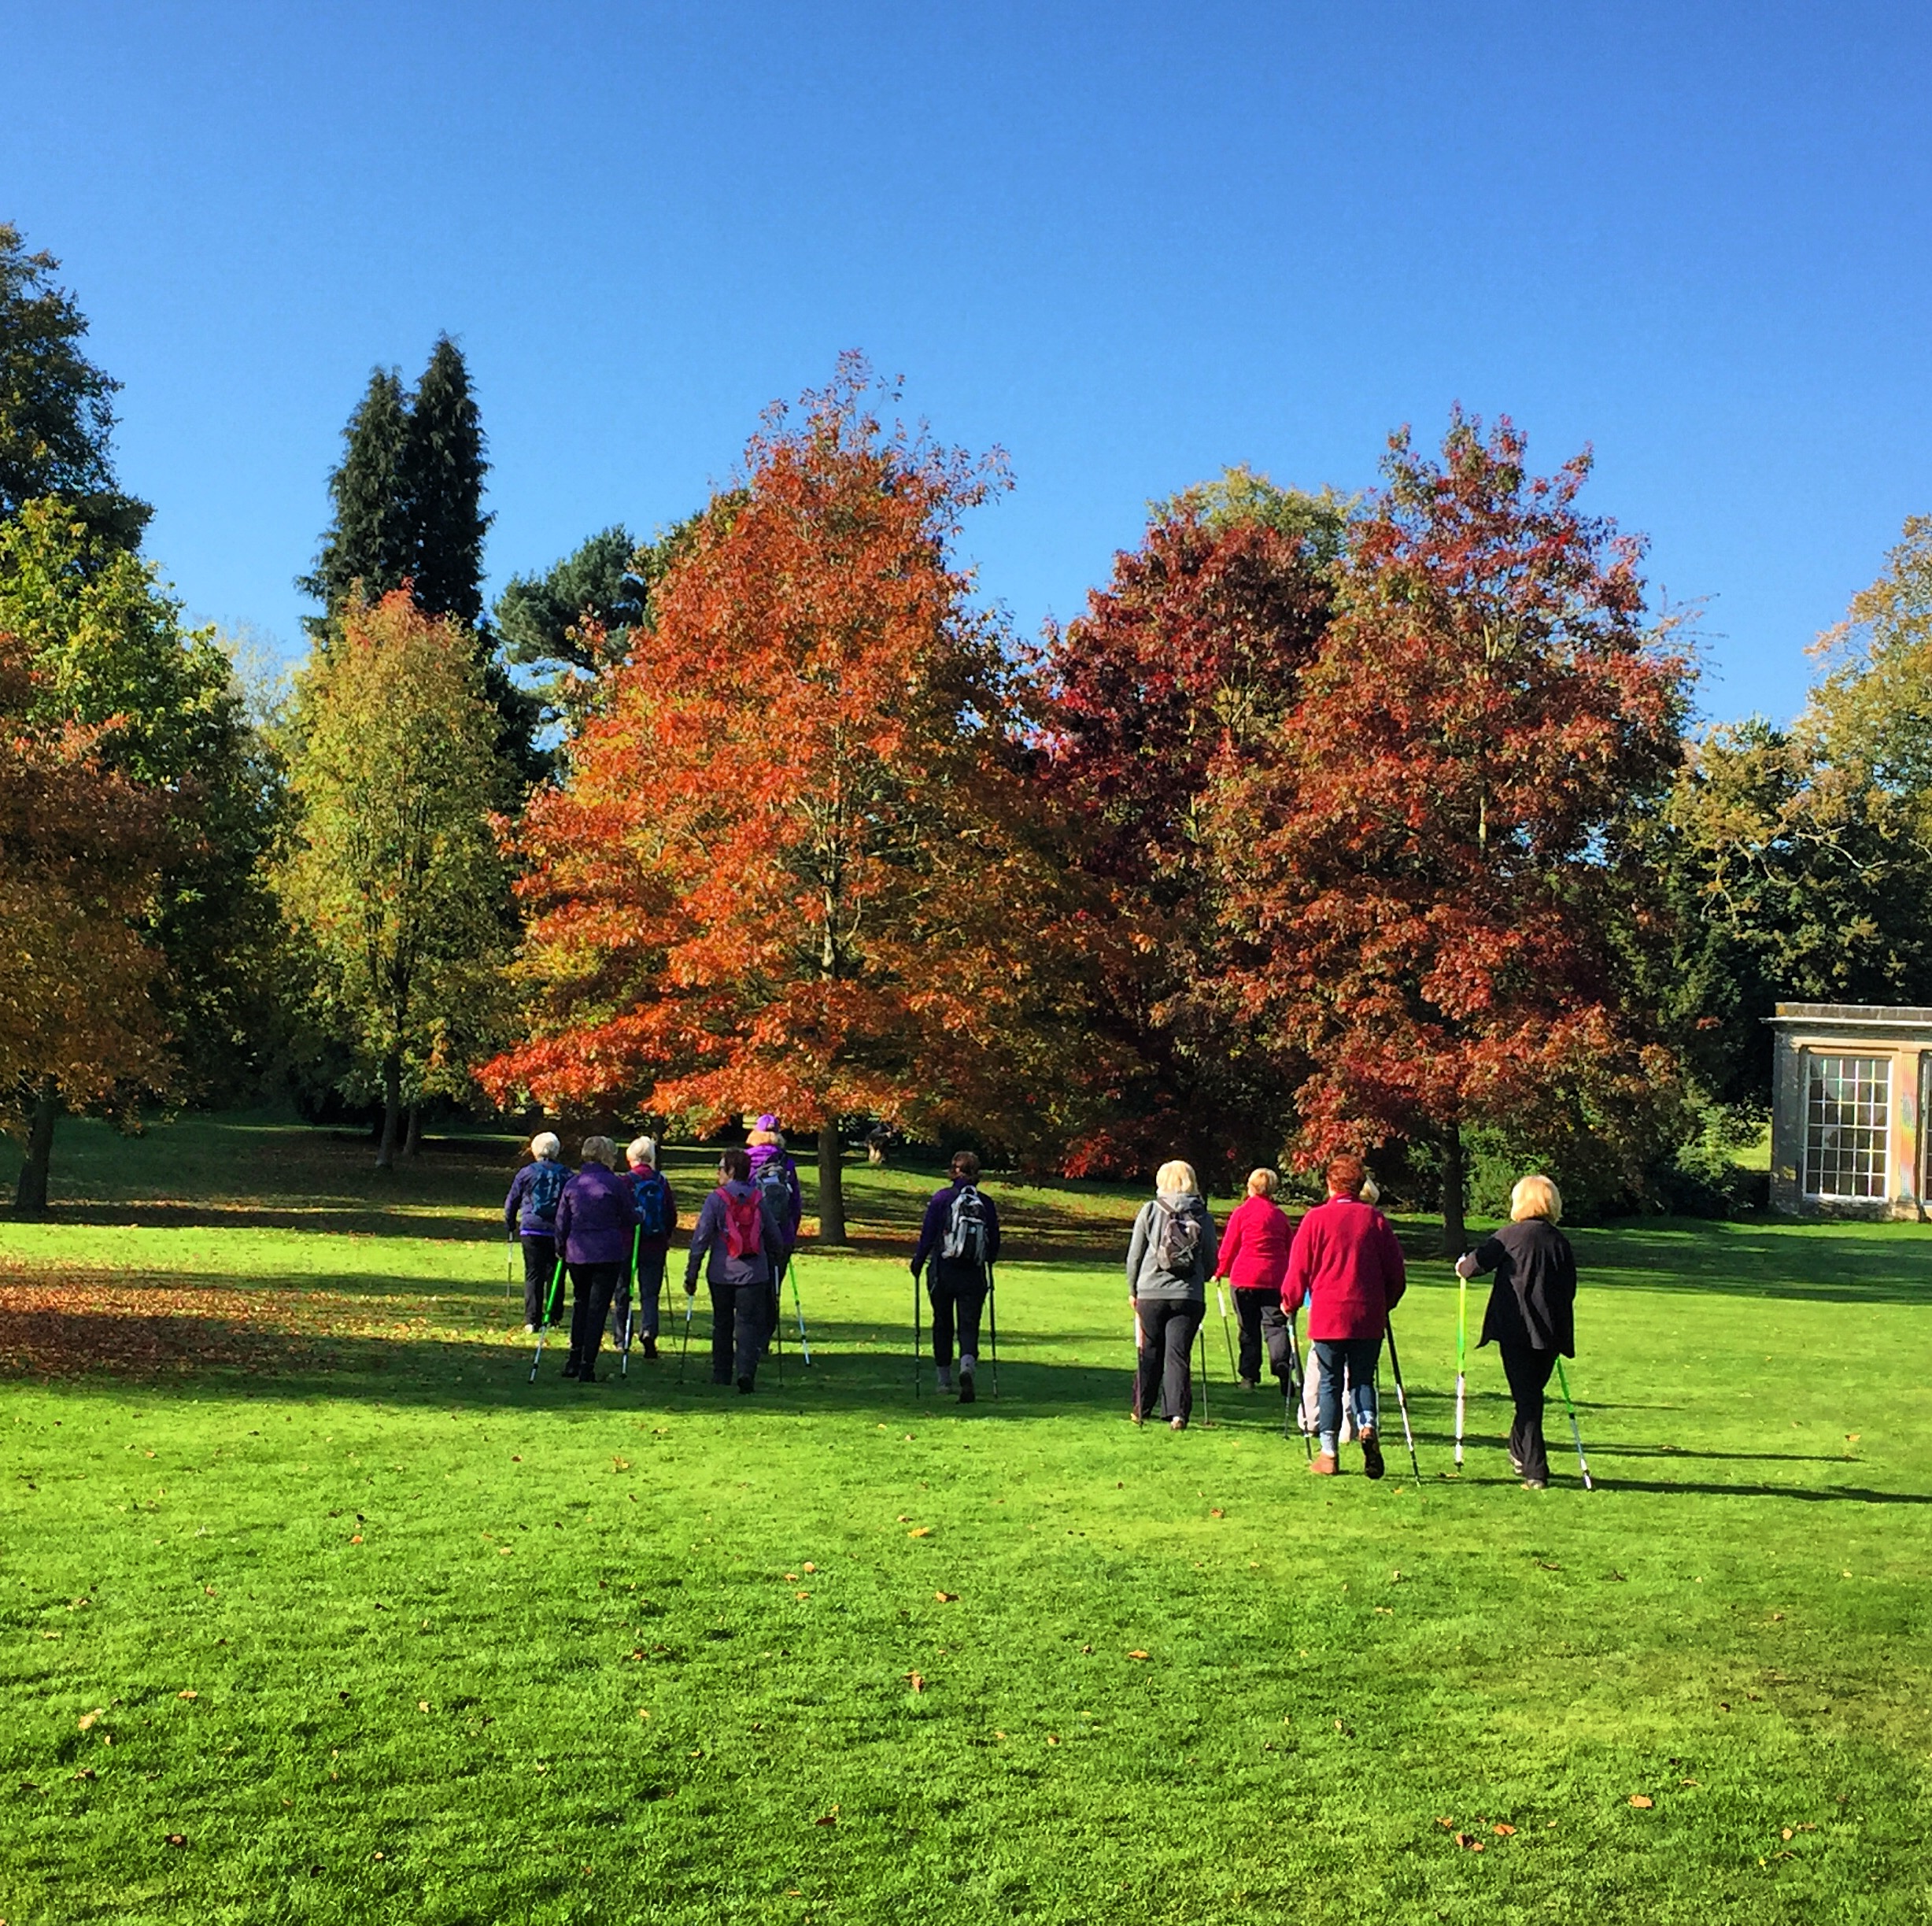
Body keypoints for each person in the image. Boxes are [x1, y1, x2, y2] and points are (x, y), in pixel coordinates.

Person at [1284, 1154, 1406, 1477]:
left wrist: (1290, 1301)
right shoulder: (1375, 1220)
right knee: (1363, 1379)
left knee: (1330, 1382)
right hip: (1367, 1315)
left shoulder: (1315, 1220)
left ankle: (1329, 1453)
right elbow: (1396, 1273)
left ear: (1329, 1183)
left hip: (1328, 1315)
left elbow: (1299, 1269)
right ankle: (1367, 1424)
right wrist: (1385, 1304)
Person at [1455, 1173, 1577, 1490]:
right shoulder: (1559, 1241)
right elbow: (1569, 1288)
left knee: (1528, 1400)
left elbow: (1472, 1267)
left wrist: (1461, 1265)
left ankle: (1536, 1469)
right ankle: (1520, 1451)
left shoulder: (1510, 1236)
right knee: (1529, 1395)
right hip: (1549, 1332)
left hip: (1517, 1329)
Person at [684, 1147, 788, 1393]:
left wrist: (692, 1272)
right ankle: (745, 1372)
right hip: (754, 1273)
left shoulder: (716, 1199)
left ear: (731, 1171)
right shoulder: (758, 1198)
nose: (718, 1173)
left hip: (721, 1272)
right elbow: (774, 1236)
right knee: (749, 1324)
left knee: (722, 1323)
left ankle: (721, 1374)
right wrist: (776, 1254)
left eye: (721, 1168)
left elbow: (701, 1238)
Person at [1125, 1160, 1216, 1432]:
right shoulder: (1202, 1215)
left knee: (1150, 1349)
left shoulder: (1150, 1210)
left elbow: (1135, 1255)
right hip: (1188, 1295)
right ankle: (1177, 1414)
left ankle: (1141, 1407)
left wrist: (1133, 1289)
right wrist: (1202, 1276)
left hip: (1151, 1291)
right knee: (1177, 1354)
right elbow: (1212, 1258)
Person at [911, 1151, 1003, 1402]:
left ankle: (944, 1380)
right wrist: (989, 1260)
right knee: (969, 1324)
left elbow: (928, 1234)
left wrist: (918, 1263)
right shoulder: (985, 1203)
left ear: (953, 1171)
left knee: (942, 1322)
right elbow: (994, 1241)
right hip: (973, 1273)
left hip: (943, 1270)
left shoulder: (942, 1198)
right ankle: (967, 1366)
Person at [552, 1137, 639, 1384]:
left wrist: (560, 1247)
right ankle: (587, 1364)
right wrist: (639, 1216)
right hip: (607, 1253)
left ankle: (574, 1357)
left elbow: (561, 1221)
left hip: (577, 1254)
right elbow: (630, 1215)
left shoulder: (573, 1184)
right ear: (606, 1156)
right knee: (597, 1307)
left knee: (581, 1303)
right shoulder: (614, 1184)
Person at [1212, 1168, 1295, 1394]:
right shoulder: (1279, 1216)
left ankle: (1248, 1376)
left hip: (1245, 1277)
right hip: (1275, 1278)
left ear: (1250, 1186)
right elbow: (1291, 1247)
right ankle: (1281, 1363)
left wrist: (1219, 1270)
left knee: (1248, 1328)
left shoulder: (1242, 1213)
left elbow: (1230, 1245)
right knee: (1276, 1326)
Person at [503, 1132, 571, 1333]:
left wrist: (510, 1222)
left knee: (533, 1274)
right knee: (556, 1274)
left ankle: (531, 1319)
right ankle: (553, 1316)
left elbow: (512, 1200)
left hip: (531, 1228)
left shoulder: (526, 1173)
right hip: (557, 1230)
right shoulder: (567, 1174)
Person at [746, 1115, 803, 1349]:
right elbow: (796, 1203)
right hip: (780, 1234)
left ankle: (747, 1335)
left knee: (750, 1287)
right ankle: (765, 1337)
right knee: (773, 1288)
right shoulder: (787, 1163)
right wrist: (791, 1233)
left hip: (749, 1236)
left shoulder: (744, 1160)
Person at [619, 1137, 678, 1362]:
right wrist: (665, 1234)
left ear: (630, 1158)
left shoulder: (626, 1181)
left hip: (629, 1243)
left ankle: (621, 1336)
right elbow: (670, 1213)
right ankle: (649, 1331)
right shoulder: (661, 1181)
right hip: (655, 1243)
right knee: (650, 1292)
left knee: (623, 1289)